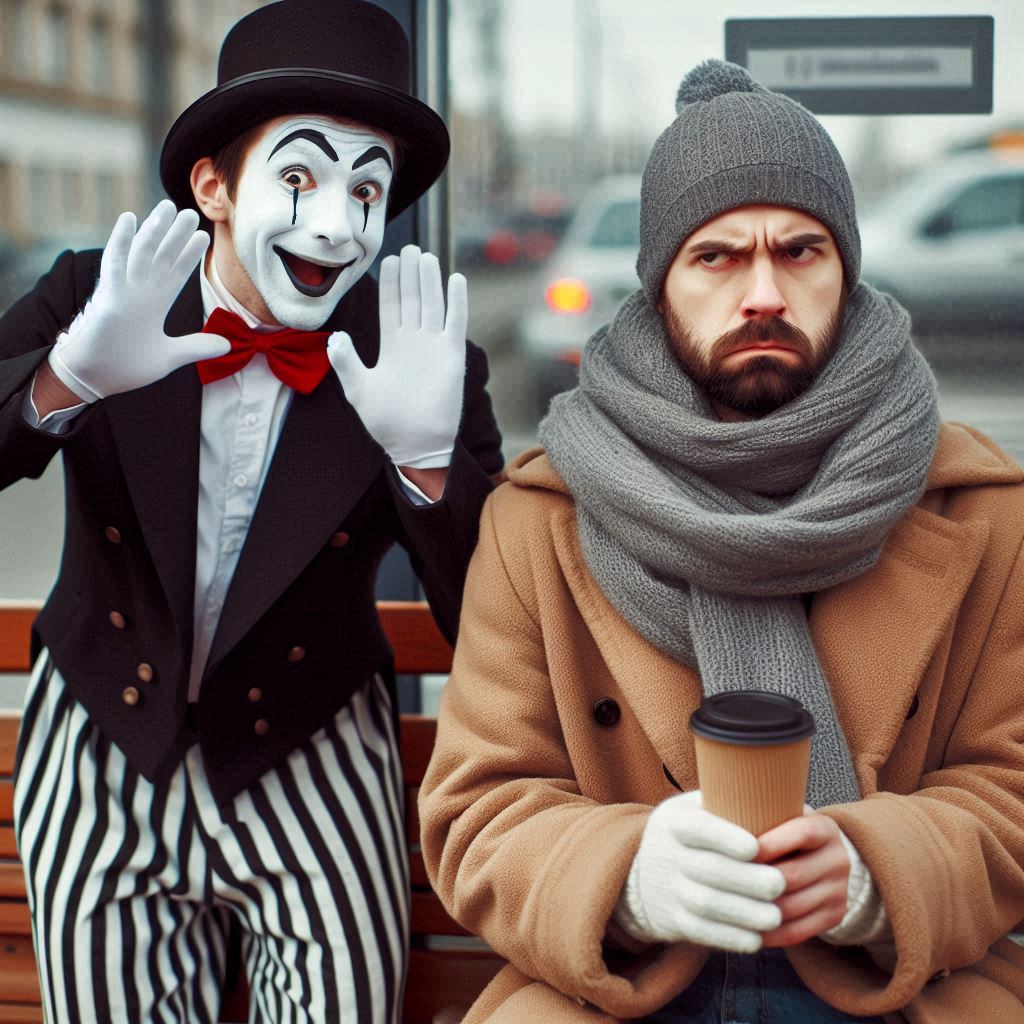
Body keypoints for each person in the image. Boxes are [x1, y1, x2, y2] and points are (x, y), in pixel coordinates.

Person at [418, 59, 1024, 1024]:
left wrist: (878, 872)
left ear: (847, 272)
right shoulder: (541, 517)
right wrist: (627, 876)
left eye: (800, 250)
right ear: (661, 286)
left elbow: (1011, 788)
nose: (763, 293)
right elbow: (479, 810)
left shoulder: (980, 511)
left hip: (894, 984)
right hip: (618, 987)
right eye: (717, 257)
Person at [0, 2, 502, 1021]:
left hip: (310, 750)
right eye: (302, 178)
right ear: (214, 186)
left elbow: (489, 624)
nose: (337, 226)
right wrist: (64, 381)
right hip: (100, 737)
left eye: (367, 192)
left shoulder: (419, 352)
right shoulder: (101, 299)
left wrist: (426, 463)